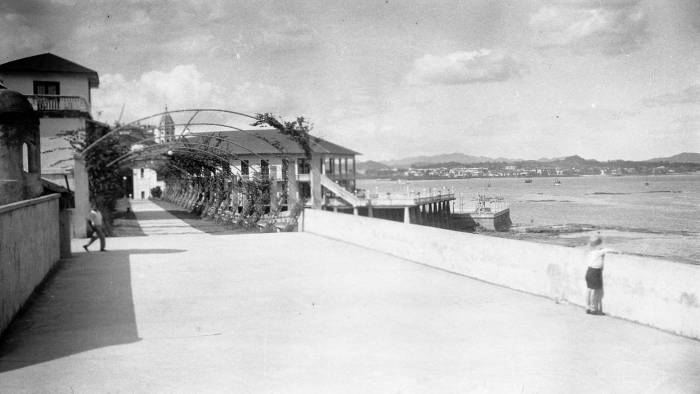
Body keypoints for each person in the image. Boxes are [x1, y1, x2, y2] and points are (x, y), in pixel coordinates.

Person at [585, 234, 614, 315]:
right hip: (595, 272)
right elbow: (609, 250)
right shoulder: (599, 252)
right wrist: (619, 252)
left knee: (589, 290)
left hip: (589, 271)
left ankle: (587, 307)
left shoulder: (591, 252)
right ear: (598, 245)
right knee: (594, 291)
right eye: (601, 244)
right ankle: (593, 308)